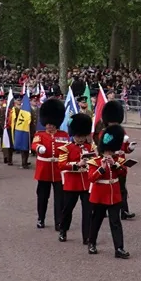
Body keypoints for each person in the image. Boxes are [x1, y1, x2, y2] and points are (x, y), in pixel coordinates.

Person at [86, 124, 130, 259]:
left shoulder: (119, 160)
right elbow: (91, 178)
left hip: (114, 194)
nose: (110, 154)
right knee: (96, 220)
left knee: (115, 222)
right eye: (108, 152)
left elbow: (123, 172)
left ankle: (119, 248)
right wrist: (102, 168)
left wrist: (115, 164)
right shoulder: (95, 162)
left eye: (112, 152)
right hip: (100, 195)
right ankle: (91, 243)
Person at [57, 113, 94, 244]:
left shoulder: (91, 148)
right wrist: (76, 165)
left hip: (86, 184)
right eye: (79, 136)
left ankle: (87, 236)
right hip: (72, 184)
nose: (81, 139)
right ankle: (63, 230)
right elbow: (61, 165)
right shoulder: (65, 148)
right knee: (67, 210)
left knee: (88, 211)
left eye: (83, 136)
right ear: (74, 135)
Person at [31, 98, 68, 230]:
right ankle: (41, 218)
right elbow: (34, 144)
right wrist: (39, 148)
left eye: (52, 124)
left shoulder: (63, 135)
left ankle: (59, 221)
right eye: (47, 124)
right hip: (44, 170)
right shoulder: (39, 134)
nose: (49, 126)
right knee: (42, 197)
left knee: (60, 199)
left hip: (58, 171)